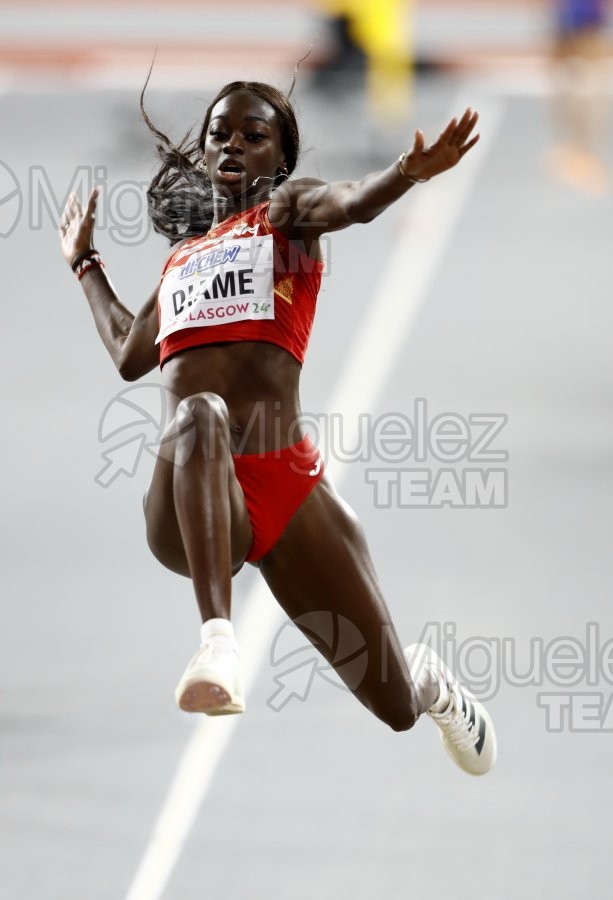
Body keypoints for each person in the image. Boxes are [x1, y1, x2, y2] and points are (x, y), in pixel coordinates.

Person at [59, 78, 497, 776]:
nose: (232, 143)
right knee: (201, 414)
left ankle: (427, 682)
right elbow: (127, 354)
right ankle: (217, 639)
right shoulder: (180, 263)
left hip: (284, 484)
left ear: (279, 160)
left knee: (393, 709)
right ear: (203, 155)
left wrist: (406, 173)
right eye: (219, 133)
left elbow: (350, 202)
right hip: (189, 492)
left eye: (253, 135)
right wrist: (85, 265)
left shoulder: (288, 216)